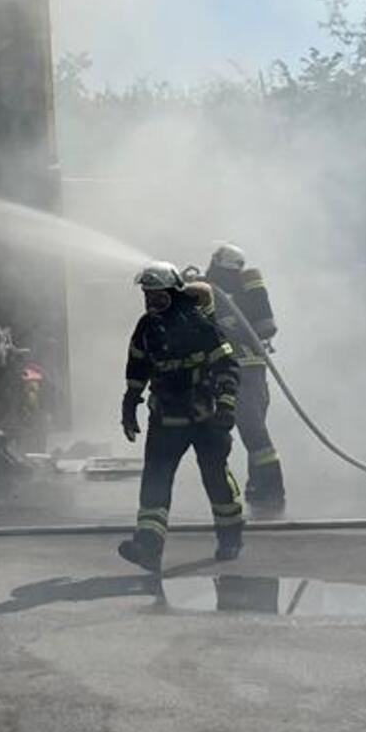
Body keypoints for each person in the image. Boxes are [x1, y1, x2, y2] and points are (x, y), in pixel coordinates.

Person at [117, 262, 245, 573]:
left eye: (158, 298)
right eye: (148, 298)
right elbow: (137, 366)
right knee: (155, 482)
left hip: (206, 419)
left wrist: (226, 405)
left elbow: (227, 367)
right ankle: (148, 547)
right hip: (166, 419)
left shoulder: (202, 326)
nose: (152, 305)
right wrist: (130, 402)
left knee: (215, 476)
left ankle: (230, 536)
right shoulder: (146, 328)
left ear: (174, 295)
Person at [205, 242, 285, 506]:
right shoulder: (233, 295)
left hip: (240, 369)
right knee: (256, 427)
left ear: (219, 266)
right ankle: (259, 486)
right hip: (256, 369)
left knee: (252, 430)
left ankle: (273, 486)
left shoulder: (223, 297)